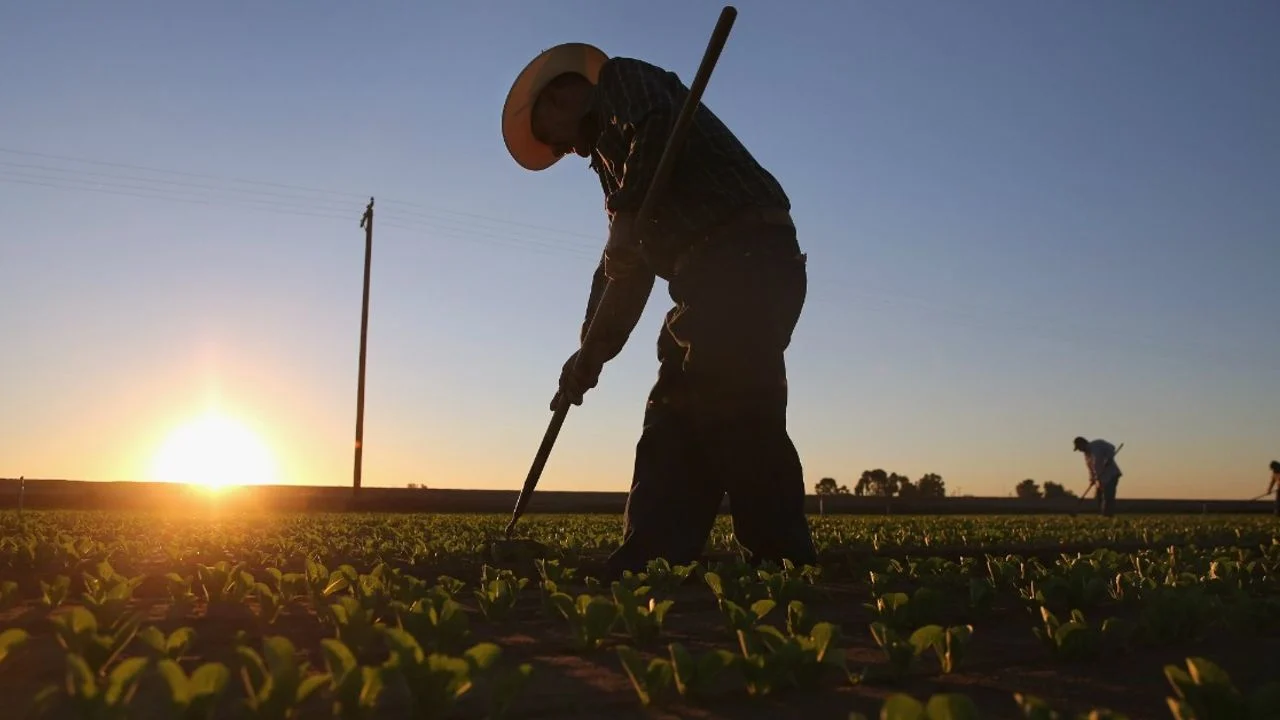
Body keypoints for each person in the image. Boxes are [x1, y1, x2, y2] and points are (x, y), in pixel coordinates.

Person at [500, 43, 818, 577]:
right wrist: (590, 353)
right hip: (705, 279)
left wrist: (625, 220)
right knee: (677, 409)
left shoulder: (626, 84)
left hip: (748, 253)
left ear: (561, 96)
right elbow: (624, 267)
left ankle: (782, 561)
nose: (568, 152)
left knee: (736, 398)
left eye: (556, 138)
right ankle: (652, 557)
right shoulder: (613, 166)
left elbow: (658, 125)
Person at [1073, 436, 1122, 517]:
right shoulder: (1087, 455)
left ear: (1083, 443)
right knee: (1098, 497)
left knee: (1108, 495)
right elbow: (1091, 469)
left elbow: (1112, 448)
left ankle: (1108, 515)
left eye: (1079, 447)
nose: (1079, 450)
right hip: (1100, 479)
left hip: (1111, 474)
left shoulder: (1097, 444)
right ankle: (1101, 514)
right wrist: (1092, 479)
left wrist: (1108, 457)